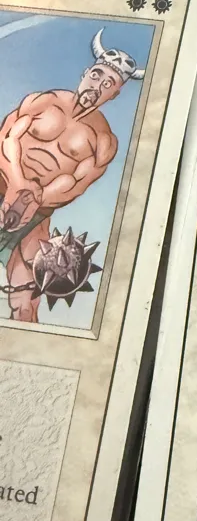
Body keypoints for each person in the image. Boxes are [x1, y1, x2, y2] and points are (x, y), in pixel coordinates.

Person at [0, 29, 144, 322]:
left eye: (108, 83)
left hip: (36, 213)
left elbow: (76, 184)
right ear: (85, 73)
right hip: (5, 181)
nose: (98, 85)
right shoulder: (43, 101)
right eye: (96, 75)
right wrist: (16, 183)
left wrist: (36, 197)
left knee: (25, 301)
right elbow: (7, 138)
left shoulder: (103, 140)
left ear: (115, 94)